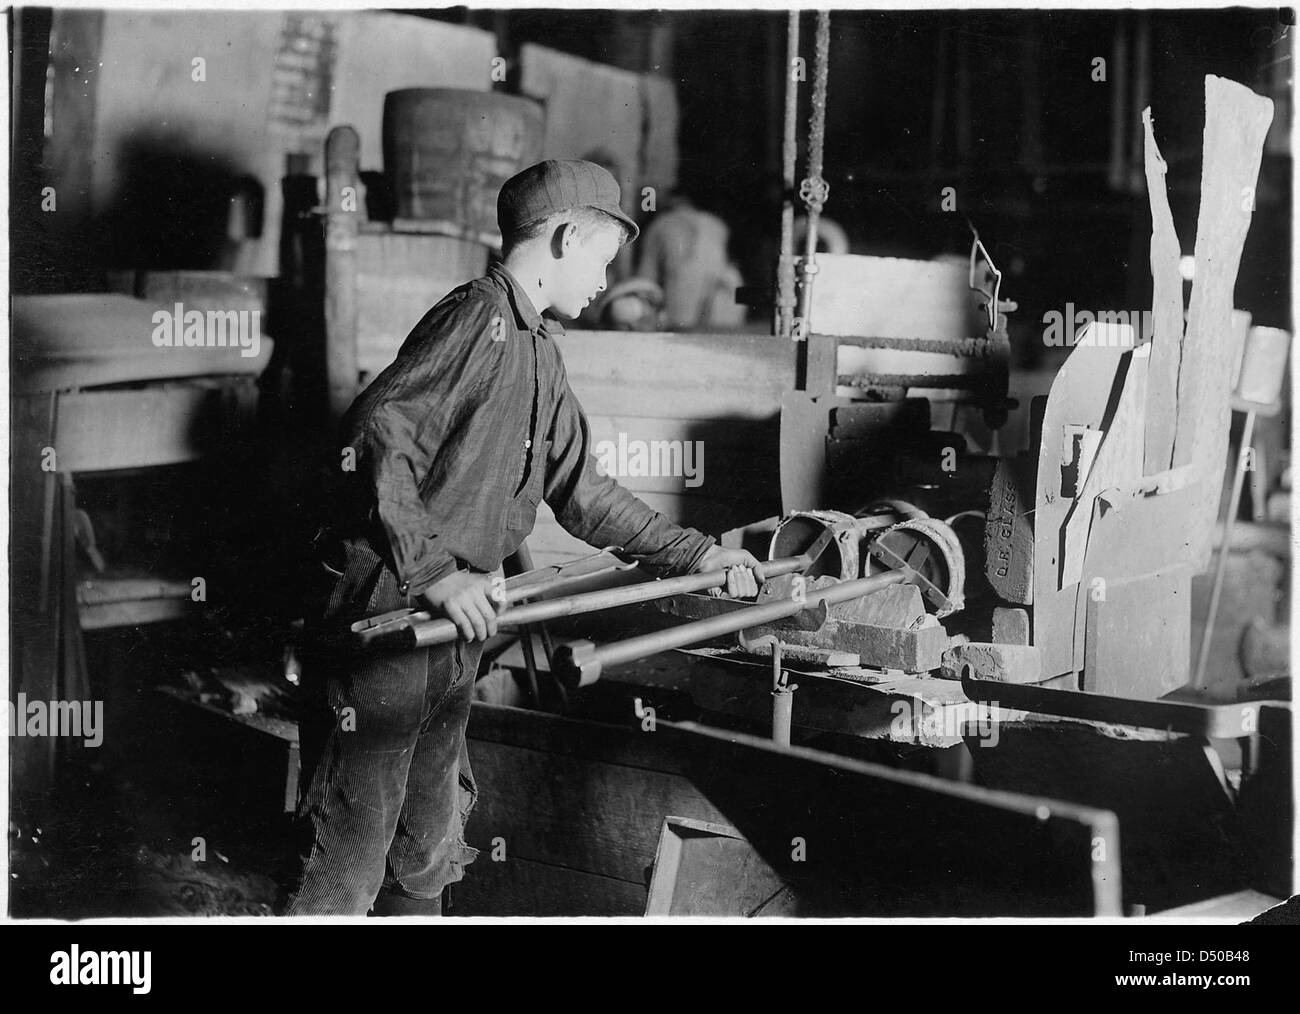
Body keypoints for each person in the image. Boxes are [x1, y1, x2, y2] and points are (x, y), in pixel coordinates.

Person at [287, 159, 760, 916]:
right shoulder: (479, 316)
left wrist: (698, 553)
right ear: (569, 237)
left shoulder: (540, 349)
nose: (607, 282)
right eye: (605, 260)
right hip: (393, 603)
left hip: (456, 620)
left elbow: (584, 491)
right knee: (351, 846)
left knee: (427, 845)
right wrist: (437, 573)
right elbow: (378, 431)